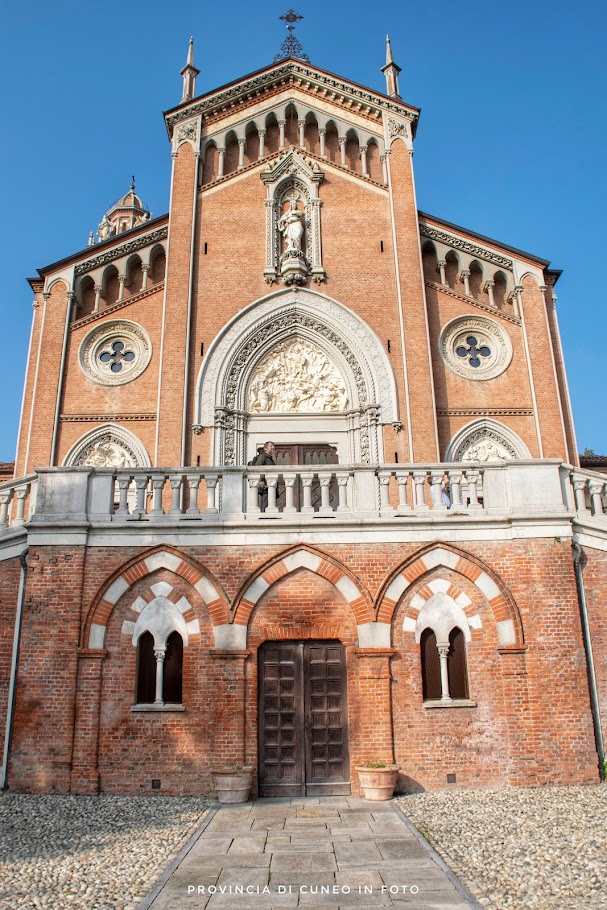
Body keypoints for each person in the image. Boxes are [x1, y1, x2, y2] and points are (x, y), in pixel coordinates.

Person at [251, 441, 276, 511]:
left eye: (273, 446)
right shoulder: (263, 457)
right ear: (265, 448)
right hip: (265, 483)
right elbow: (258, 468)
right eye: (271, 446)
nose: (273, 447)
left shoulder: (270, 459)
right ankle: (264, 517)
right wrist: (261, 480)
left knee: (269, 500)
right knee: (266, 500)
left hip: (270, 483)